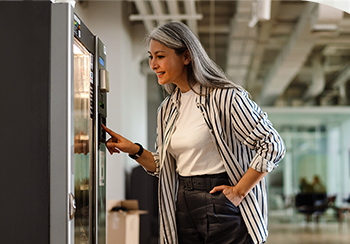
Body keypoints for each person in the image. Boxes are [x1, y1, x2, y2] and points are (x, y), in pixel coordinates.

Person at [102, 21, 285, 244]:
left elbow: (272, 144)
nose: (153, 64)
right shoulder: (167, 109)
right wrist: (133, 149)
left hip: (221, 200)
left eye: (160, 56)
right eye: (150, 57)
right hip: (182, 202)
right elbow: (164, 166)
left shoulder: (225, 97)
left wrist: (238, 192)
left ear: (186, 56)